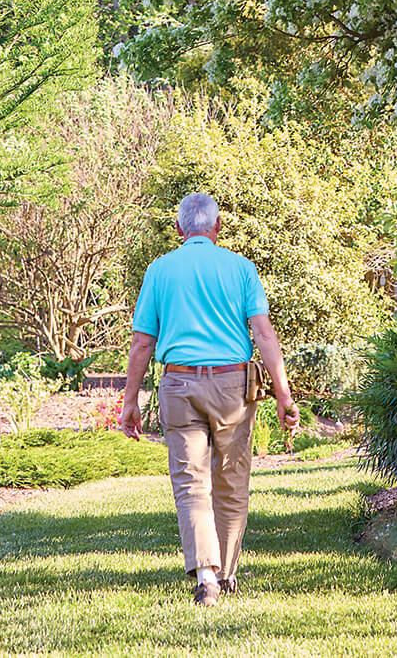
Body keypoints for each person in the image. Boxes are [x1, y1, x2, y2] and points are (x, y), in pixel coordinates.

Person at [120, 191, 300, 607]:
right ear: (218, 227)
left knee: (191, 483)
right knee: (232, 482)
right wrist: (283, 394)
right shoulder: (241, 268)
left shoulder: (160, 270)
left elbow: (142, 343)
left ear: (179, 229)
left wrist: (130, 400)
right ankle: (226, 574)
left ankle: (206, 575)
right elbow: (264, 333)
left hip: (180, 385)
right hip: (233, 386)